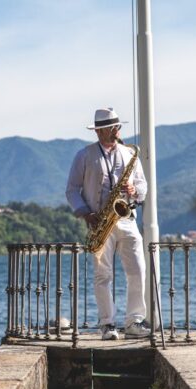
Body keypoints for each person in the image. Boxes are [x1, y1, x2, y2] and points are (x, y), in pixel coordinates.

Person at [66, 107, 150, 340]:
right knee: (103, 275)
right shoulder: (84, 155)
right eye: (112, 128)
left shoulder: (129, 153)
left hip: (126, 218)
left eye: (117, 127)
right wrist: (86, 214)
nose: (116, 132)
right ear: (99, 131)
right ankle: (107, 324)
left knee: (138, 270)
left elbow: (143, 186)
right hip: (99, 220)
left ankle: (134, 321)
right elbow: (72, 190)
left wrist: (134, 190)